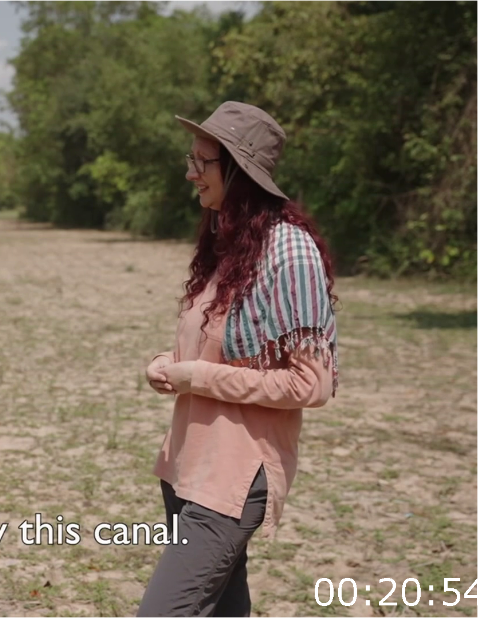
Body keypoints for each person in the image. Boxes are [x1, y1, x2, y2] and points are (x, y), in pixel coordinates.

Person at [137, 101, 339, 617]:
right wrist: (168, 364)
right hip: (187, 466)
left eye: (201, 162)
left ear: (237, 168)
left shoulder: (289, 253)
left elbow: (311, 385)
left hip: (232, 478)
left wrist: (196, 377)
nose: (190, 173)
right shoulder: (225, 246)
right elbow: (212, 350)